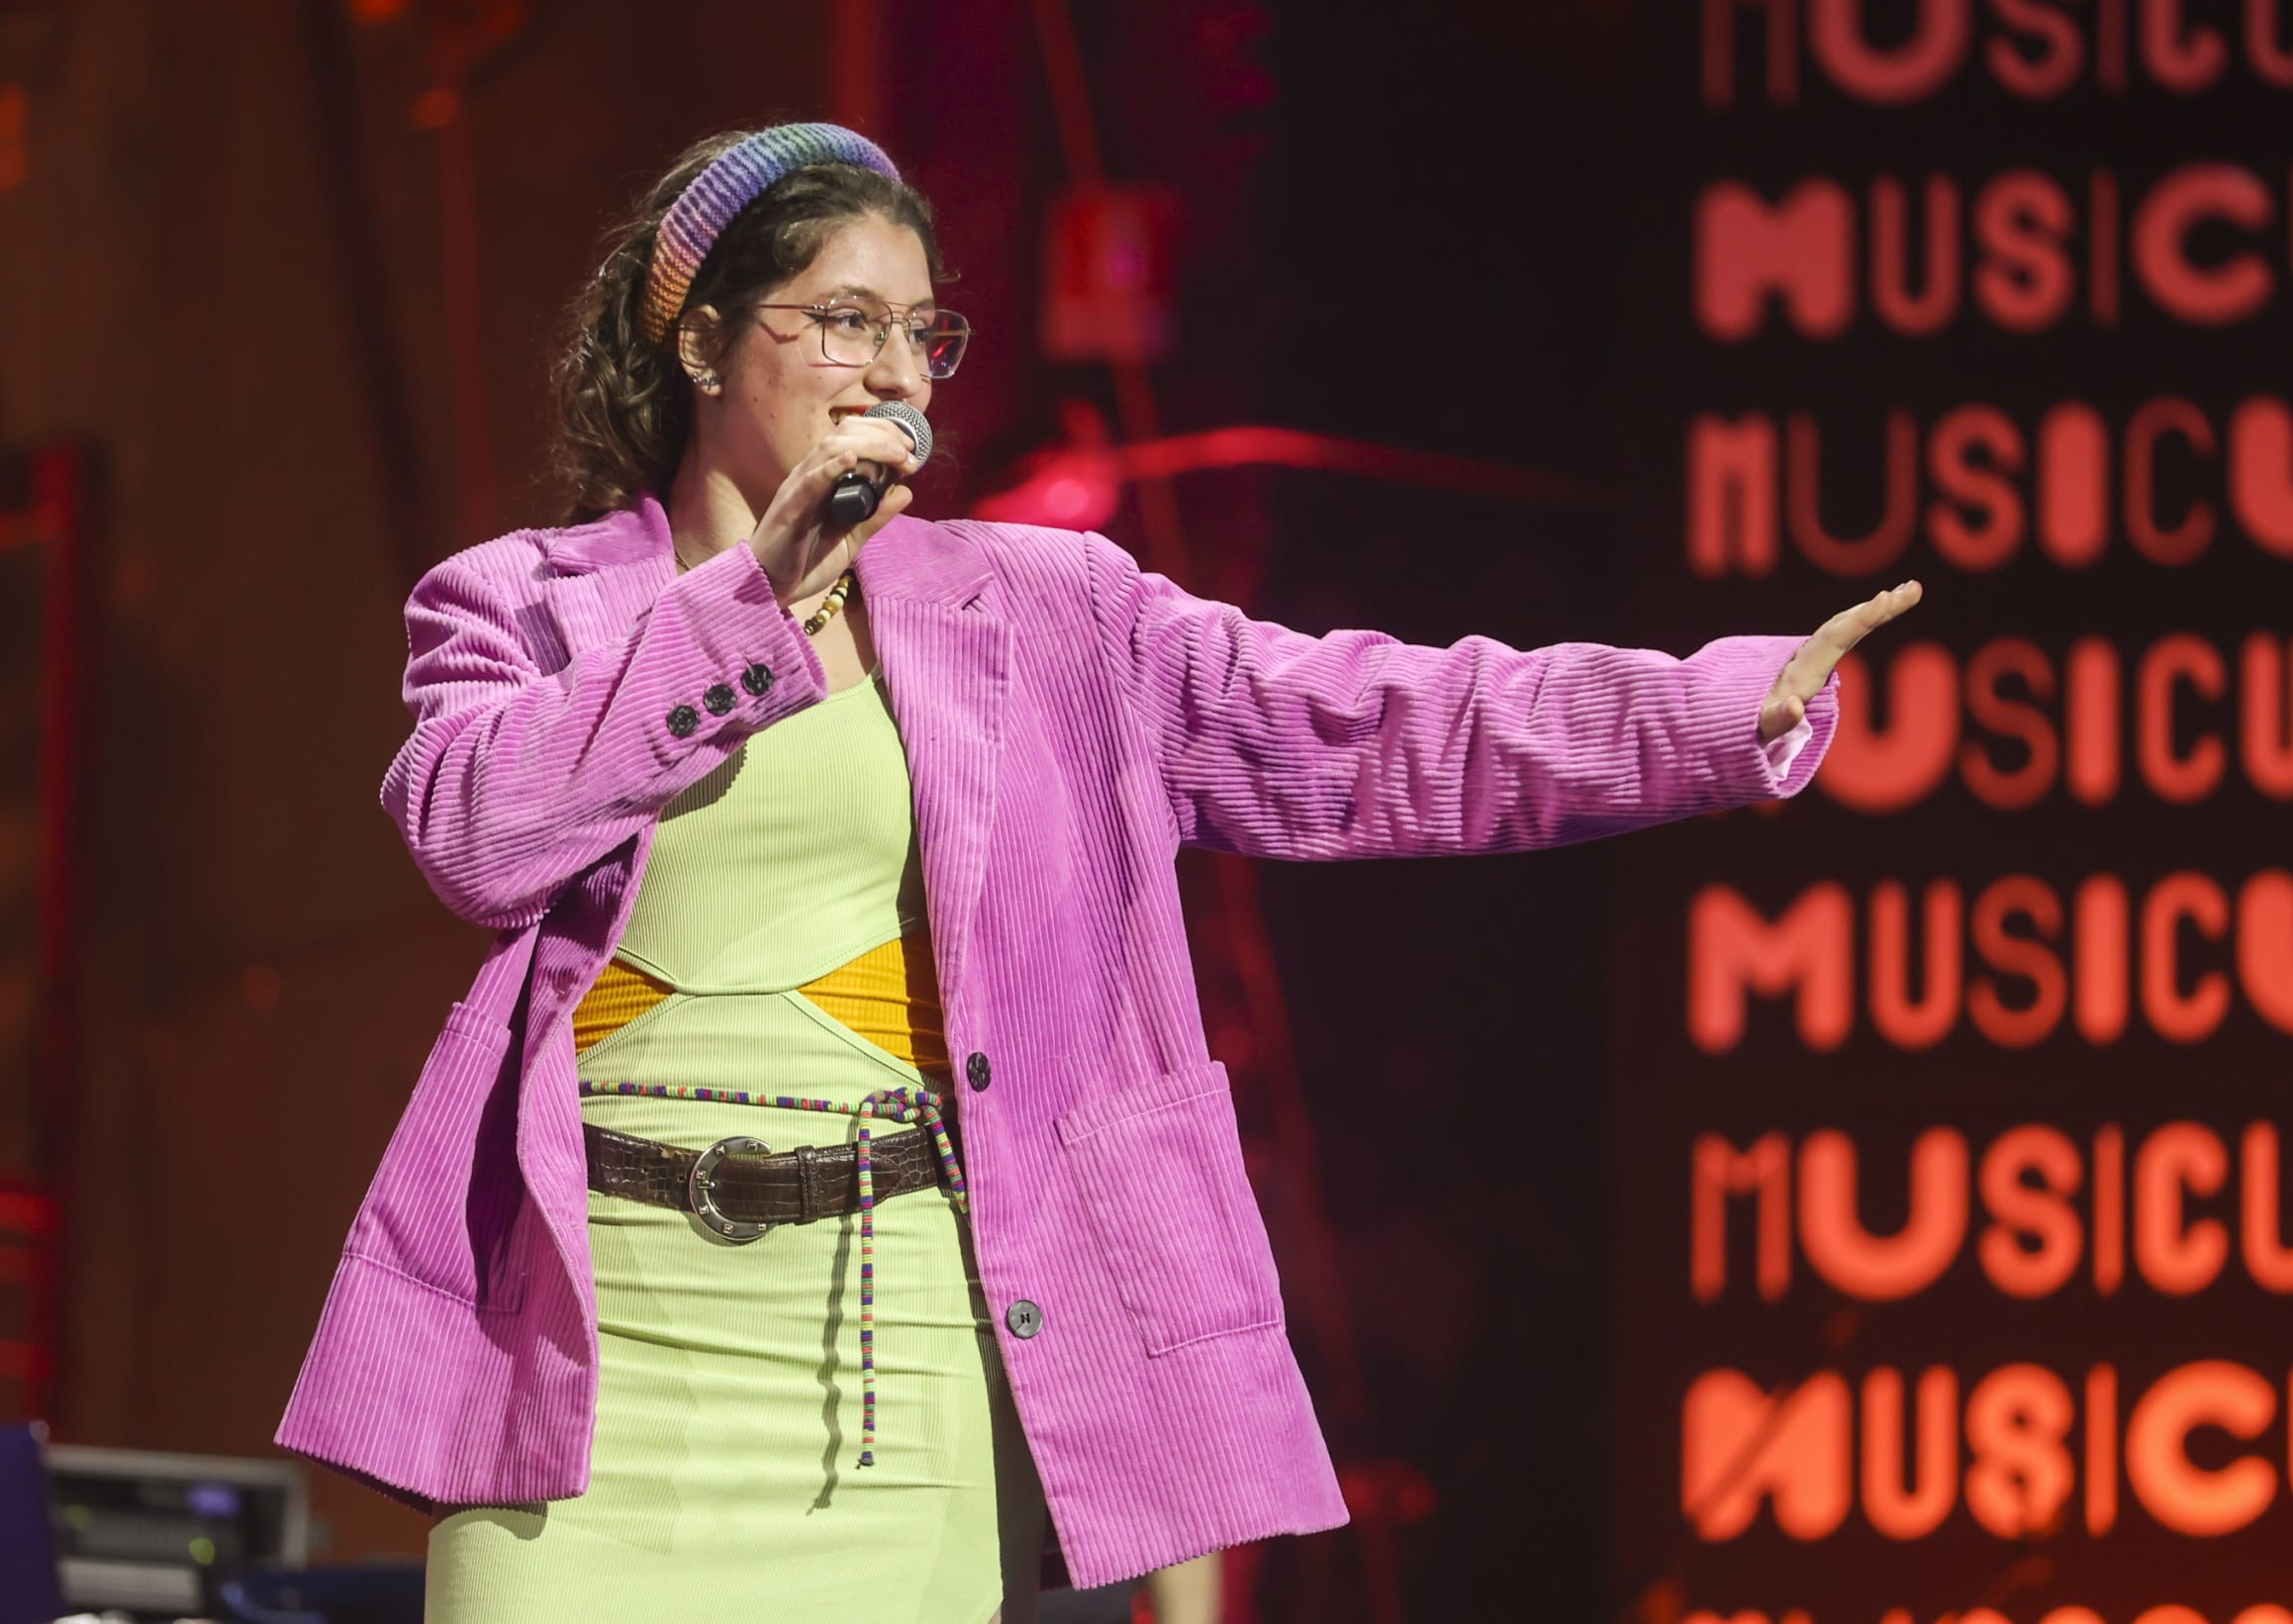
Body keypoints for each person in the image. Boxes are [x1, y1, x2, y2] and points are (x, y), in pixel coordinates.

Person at [274, 122, 1918, 1623]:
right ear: (700, 340)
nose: (891, 368)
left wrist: (1705, 712)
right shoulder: (524, 603)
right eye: (842, 319)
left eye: (921, 332)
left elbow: (1372, 725)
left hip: (900, 1349)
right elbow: (474, 837)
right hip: (590, 1364)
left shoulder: (1051, 612)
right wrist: (755, 600)